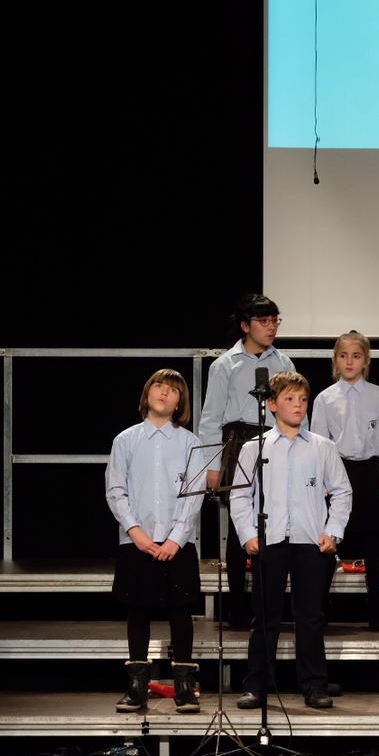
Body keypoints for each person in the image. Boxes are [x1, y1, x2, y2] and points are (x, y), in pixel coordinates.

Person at [229, 372, 352, 711]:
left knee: (310, 617)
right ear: (271, 404)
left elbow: (342, 491)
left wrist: (333, 531)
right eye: (289, 399)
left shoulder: (322, 447)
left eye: (302, 400)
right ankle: (257, 685)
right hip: (270, 541)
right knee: (264, 618)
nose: (298, 405)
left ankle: (313, 684)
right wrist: (248, 535)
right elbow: (240, 496)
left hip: (310, 542)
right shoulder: (254, 448)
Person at [105, 369, 204, 714]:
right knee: (137, 610)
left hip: (178, 543)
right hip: (137, 541)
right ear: (147, 393)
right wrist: (136, 532)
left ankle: (184, 687)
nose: (164, 393)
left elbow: (194, 493)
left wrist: (176, 538)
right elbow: (116, 490)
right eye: (159, 386)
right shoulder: (126, 440)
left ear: (180, 402)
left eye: (173, 390)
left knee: (181, 611)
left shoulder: (190, 443)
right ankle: (136, 687)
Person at [196, 294, 296, 628]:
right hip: (237, 441)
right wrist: (212, 466)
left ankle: (268, 608)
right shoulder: (225, 364)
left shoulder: (284, 362)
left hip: (275, 438)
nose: (271, 327)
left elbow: (297, 408)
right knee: (241, 523)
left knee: (273, 521)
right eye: (263, 321)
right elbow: (211, 417)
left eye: (274, 321)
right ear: (245, 325)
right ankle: (236, 608)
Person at [310, 330, 379, 630]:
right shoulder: (325, 398)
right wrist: (322, 482)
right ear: (335, 360)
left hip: (370, 471)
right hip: (339, 470)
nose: (349, 362)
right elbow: (318, 442)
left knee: (373, 542)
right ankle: (319, 612)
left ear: (366, 360)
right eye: (343, 356)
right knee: (332, 539)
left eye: (356, 356)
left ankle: (376, 612)